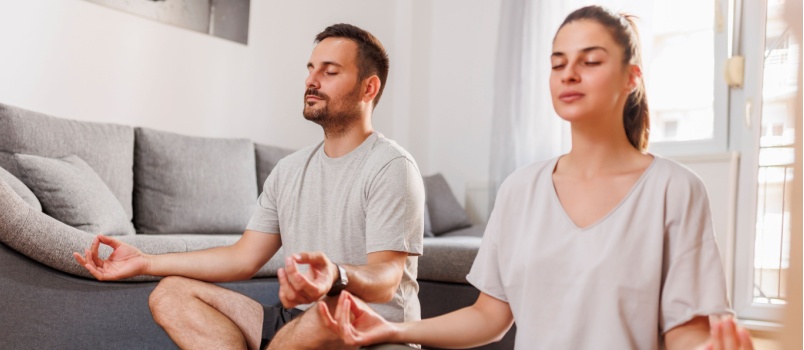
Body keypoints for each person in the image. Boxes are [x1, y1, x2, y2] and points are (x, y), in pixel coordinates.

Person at [316, 6, 755, 350]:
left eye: (591, 61)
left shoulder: (674, 190)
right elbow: (489, 318)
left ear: (631, 78)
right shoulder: (520, 188)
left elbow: (687, 332)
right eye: (558, 61)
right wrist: (392, 330)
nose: (569, 73)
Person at [74, 23, 425, 350]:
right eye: (310, 68)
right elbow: (242, 257)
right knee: (170, 295)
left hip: (369, 332)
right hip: (297, 322)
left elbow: (386, 278)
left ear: (369, 87)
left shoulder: (391, 167)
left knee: (325, 313)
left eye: (330, 71)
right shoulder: (289, 170)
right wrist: (145, 262)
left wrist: (335, 274)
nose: (311, 80)